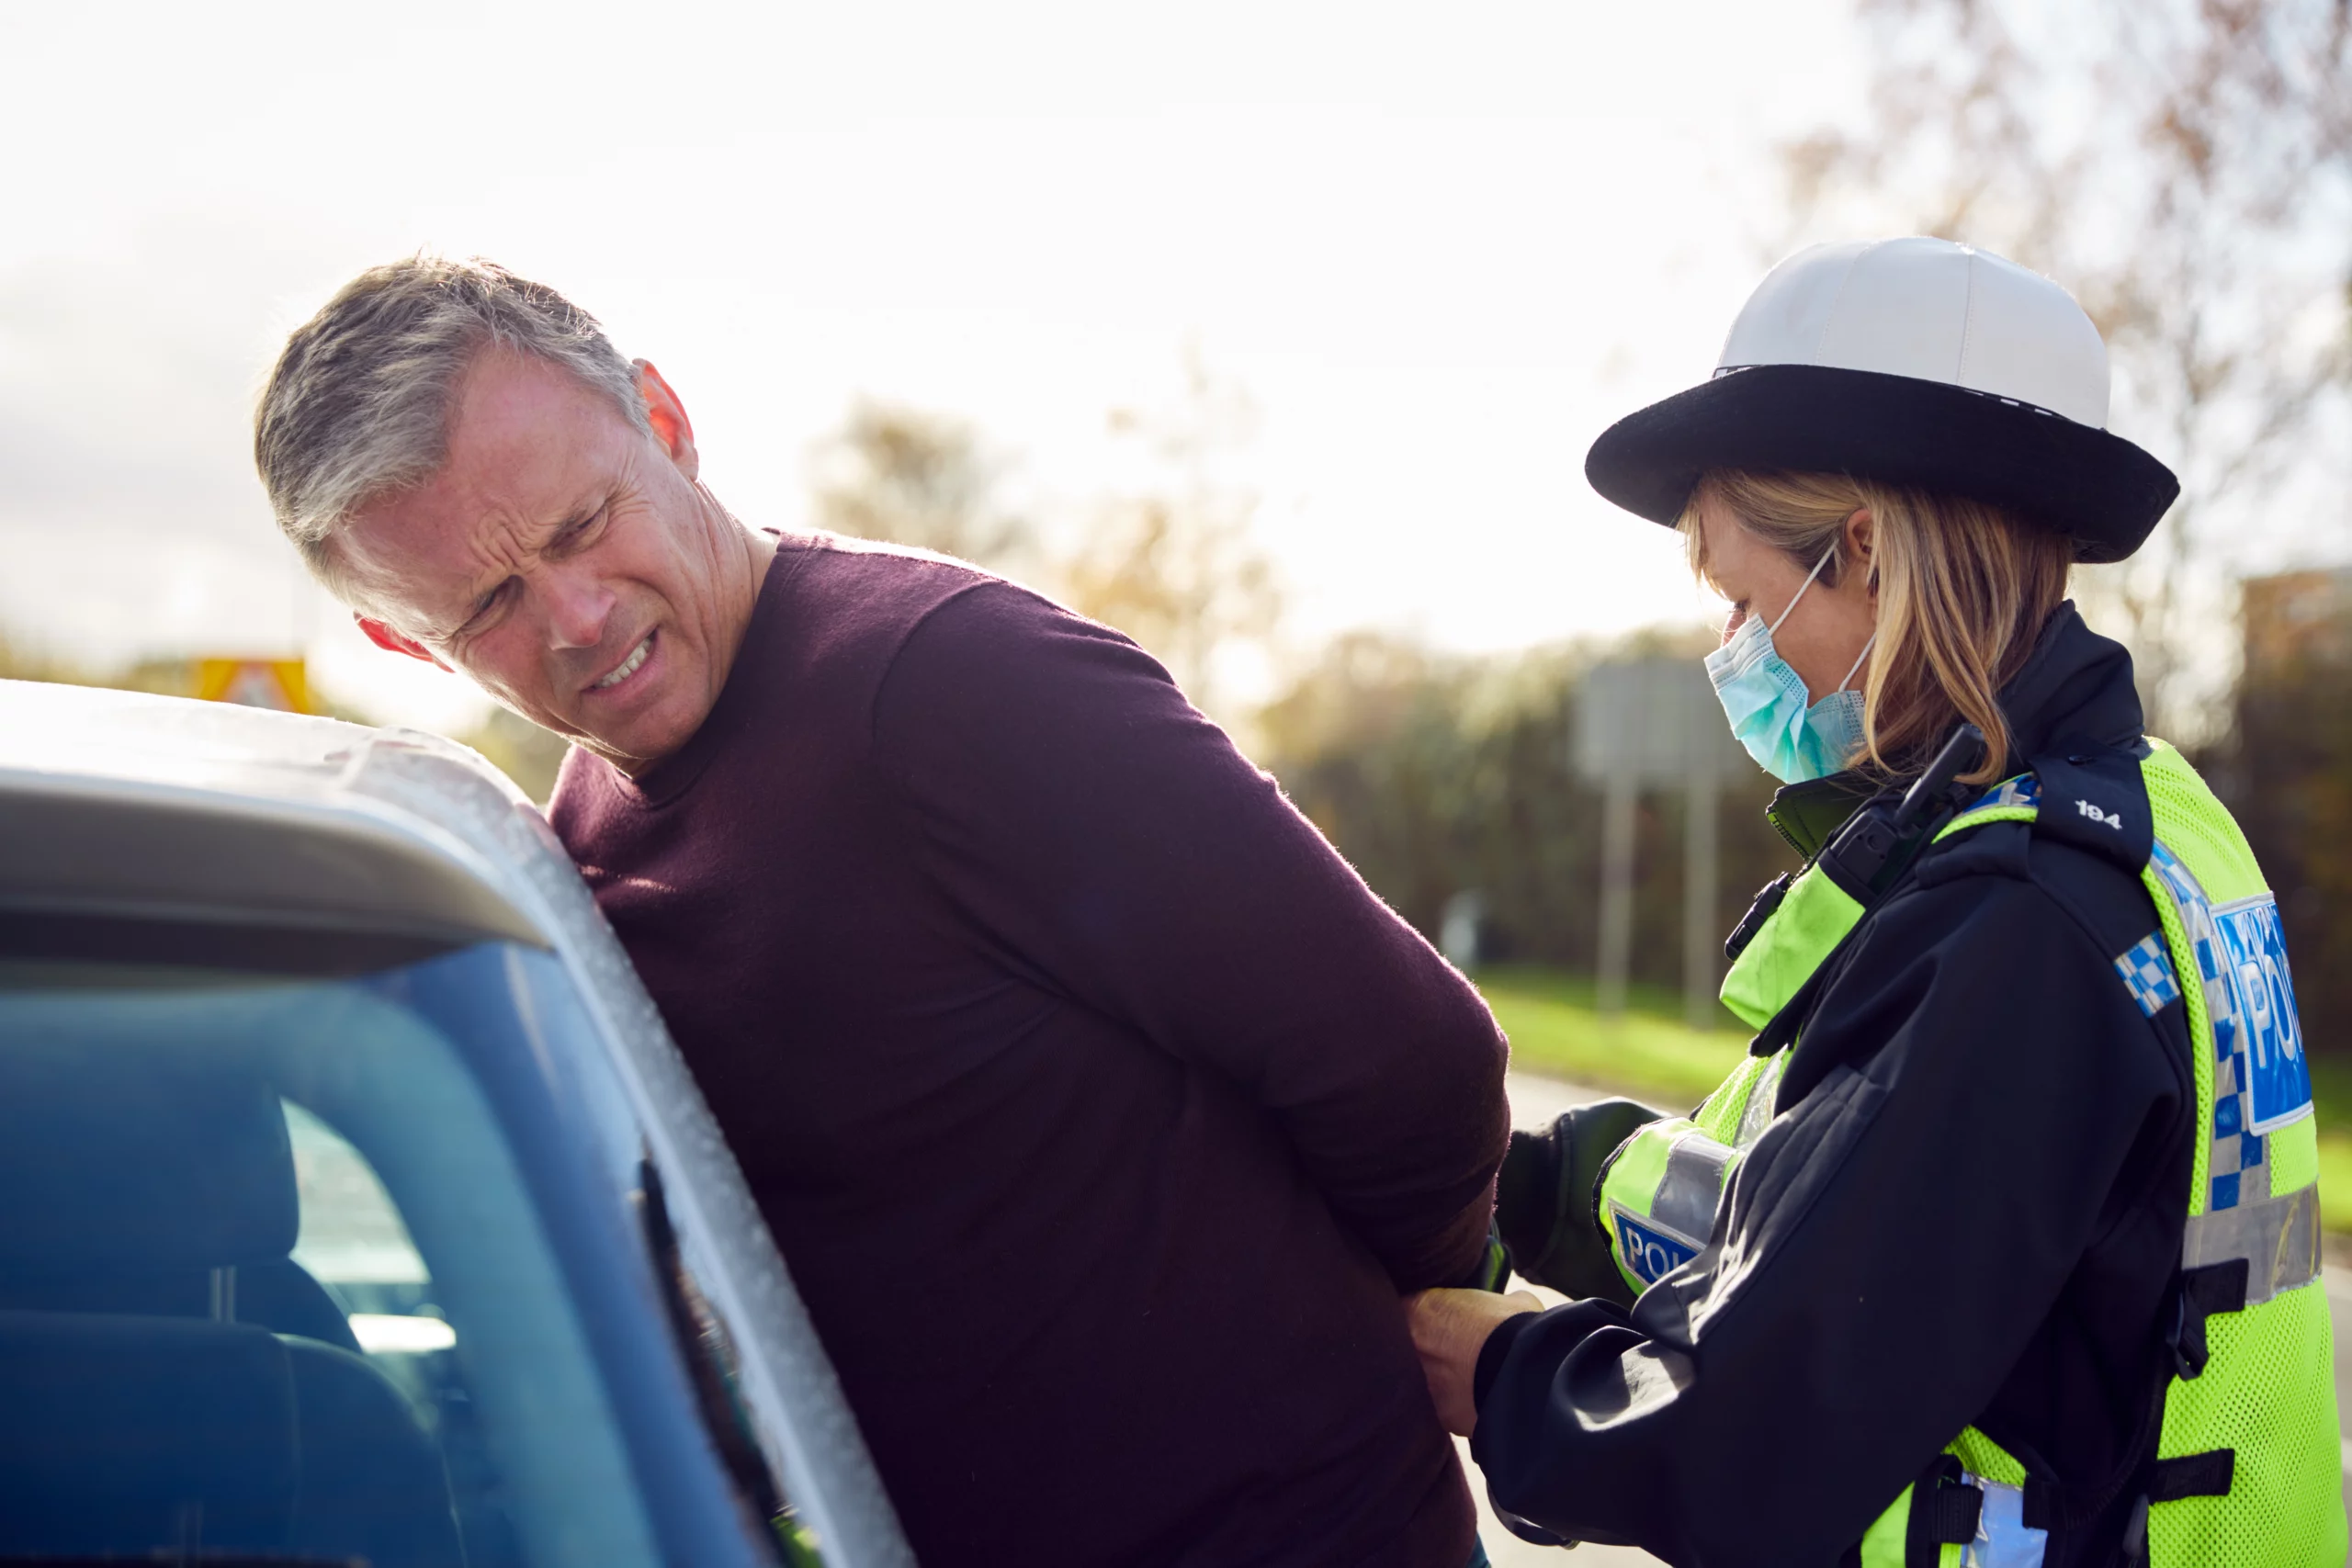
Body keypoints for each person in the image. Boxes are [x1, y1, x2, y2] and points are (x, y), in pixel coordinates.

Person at [254, 257, 1511, 1567]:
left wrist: (1390, 1332)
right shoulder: (567, 854)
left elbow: (1410, 1061)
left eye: (582, 525)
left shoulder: (953, 682)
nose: (576, 617)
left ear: (665, 423)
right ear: (404, 641)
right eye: (491, 605)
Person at [1407, 238, 2346, 1567]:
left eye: (1742, 598)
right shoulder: (2148, 822)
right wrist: (1545, 1183)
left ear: (1863, 555)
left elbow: (1754, 1427)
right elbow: (1833, 1218)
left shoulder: (2023, 920)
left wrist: (1502, 1370)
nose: (1732, 654)